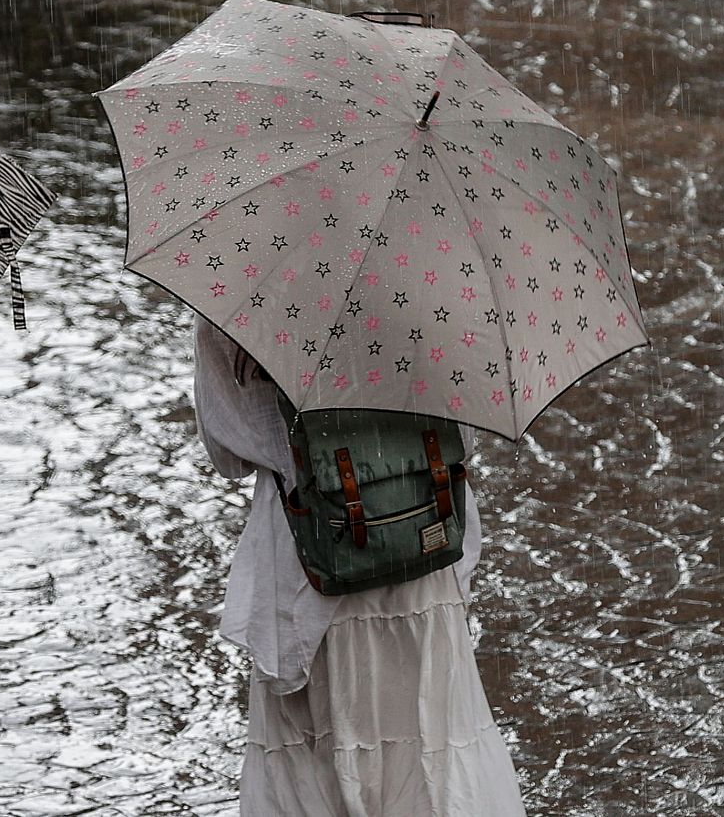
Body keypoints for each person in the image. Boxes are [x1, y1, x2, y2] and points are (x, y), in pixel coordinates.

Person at [191, 320, 526, 816]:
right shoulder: (433, 270)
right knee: (432, 733)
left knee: (322, 748)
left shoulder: (237, 289)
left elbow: (227, 454)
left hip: (308, 555)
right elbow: (467, 432)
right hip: (421, 533)